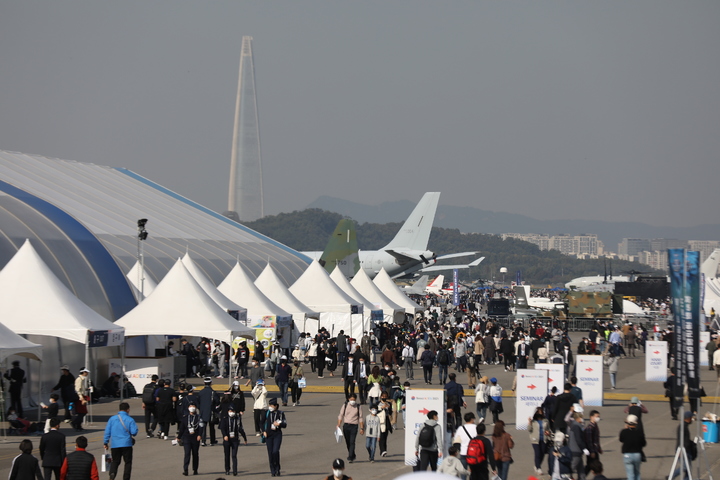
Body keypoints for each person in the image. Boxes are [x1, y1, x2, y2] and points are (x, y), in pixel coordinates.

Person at [103, 402, 137, 480]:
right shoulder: (130, 419)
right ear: (128, 410)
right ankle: (126, 477)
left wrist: (105, 442)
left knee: (115, 461)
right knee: (127, 462)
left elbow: (107, 431)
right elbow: (134, 432)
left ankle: (112, 473)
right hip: (126, 444)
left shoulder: (112, 419)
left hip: (115, 444)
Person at [177, 400, 203, 476]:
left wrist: (200, 435)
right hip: (187, 438)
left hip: (195, 438)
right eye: (190, 406)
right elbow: (181, 428)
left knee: (195, 454)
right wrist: (179, 437)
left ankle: (195, 469)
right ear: (188, 408)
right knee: (187, 454)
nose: (192, 408)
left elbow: (201, 427)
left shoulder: (198, 418)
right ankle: (185, 469)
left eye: (193, 406)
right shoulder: (185, 418)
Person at [219, 404, 247, 476]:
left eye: (233, 411)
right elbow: (222, 428)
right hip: (227, 439)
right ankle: (227, 469)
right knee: (227, 455)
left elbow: (240, 429)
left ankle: (235, 470)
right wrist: (224, 435)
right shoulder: (225, 419)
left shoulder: (237, 419)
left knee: (234, 455)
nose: (232, 412)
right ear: (228, 411)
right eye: (230, 411)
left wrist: (245, 438)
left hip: (235, 439)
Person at [262, 397, 287, 477]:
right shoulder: (267, 413)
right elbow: (261, 422)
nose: (270, 407)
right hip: (269, 435)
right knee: (270, 453)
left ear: (276, 406)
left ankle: (277, 468)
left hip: (277, 434)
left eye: (272, 405)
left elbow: (285, 424)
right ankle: (272, 470)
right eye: (270, 405)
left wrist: (279, 424)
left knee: (275, 451)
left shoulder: (280, 413)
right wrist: (264, 431)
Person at [337, 393, 364, 464]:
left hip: (354, 426)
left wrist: (362, 428)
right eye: (351, 399)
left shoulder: (358, 406)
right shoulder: (345, 405)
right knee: (348, 442)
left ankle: (350, 456)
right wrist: (339, 424)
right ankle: (352, 454)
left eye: (354, 399)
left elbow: (360, 418)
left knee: (352, 442)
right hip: (346, 425)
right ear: (348, 399)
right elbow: (341, 415)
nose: (352, 401)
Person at [619, 414, 646, 480]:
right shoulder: (639, 432)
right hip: (637, 454)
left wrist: (626, 429)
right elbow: (644, 443)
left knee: (630, 475)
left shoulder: (624, 431)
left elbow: (621, 439)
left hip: (627, 454)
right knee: (637, 473)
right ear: (636, 422)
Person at [672, 411, 697, 480]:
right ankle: (671, 476)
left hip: (686, 450)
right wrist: (680, 450)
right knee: (685, 467)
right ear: (688, 418)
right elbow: (681, 439)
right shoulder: (682, 427)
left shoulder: (685, 426)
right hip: (682, 450)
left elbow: (685, 439)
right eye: (691, 417)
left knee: (688, 469)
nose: (692, 419)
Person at [528, 407, 550, 476]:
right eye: (538, 412)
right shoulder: (533, 421)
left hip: (543, 439)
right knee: (537, 453)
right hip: (535, 439)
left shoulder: (546, 421)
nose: (539, 413)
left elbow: (548, 429)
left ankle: (537, 465)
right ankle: (538, 468)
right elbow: (529, 429)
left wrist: (548, 432)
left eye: (541, 412)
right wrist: (530, 423)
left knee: (542, 453)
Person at [197, 377, 219, 446]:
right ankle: (212, 441)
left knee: (203, 426)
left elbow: (197, 402)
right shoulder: (213, 392)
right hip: (211, 411)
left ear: (204, 383)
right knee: (212, 427)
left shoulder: (200, 392)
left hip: (203, 411)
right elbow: (217, 401)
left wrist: (200, 408)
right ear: (211, 383)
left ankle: (203, 441)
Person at [568, 412, 588, 480]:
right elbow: (578, 439)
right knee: (571, 469)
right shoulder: (576, 427)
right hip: (575, 451)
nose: (582, 419)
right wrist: (584, 448)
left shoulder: (574, 425)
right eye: (581, 417)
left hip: (576, 451)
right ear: (578, 418)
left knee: (581, 471)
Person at [376, 391, 396, 457]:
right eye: (383, 396)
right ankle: (382, 450)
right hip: (380, 421)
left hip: (387, 421)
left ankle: (384, 450)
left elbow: (390, 413)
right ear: (380, 396)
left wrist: (389, 408)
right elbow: (374, 411)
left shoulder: (388, 403)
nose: (384, 398)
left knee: (385, 436)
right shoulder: (377, 403)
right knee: (381, 436)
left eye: (385, 396)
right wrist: (381, 408)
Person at [584, 410, 602, 474]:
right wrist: (592, 451)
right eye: (596, 416)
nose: (598, 418)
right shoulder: (590, 427)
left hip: (595, 450)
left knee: (594, 465)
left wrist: (599, 449)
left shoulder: (595, 426)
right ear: (591, 417)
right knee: (592, 465)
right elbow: (589, 441)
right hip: (592, 450)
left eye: (599, 416)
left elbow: (596, 439)